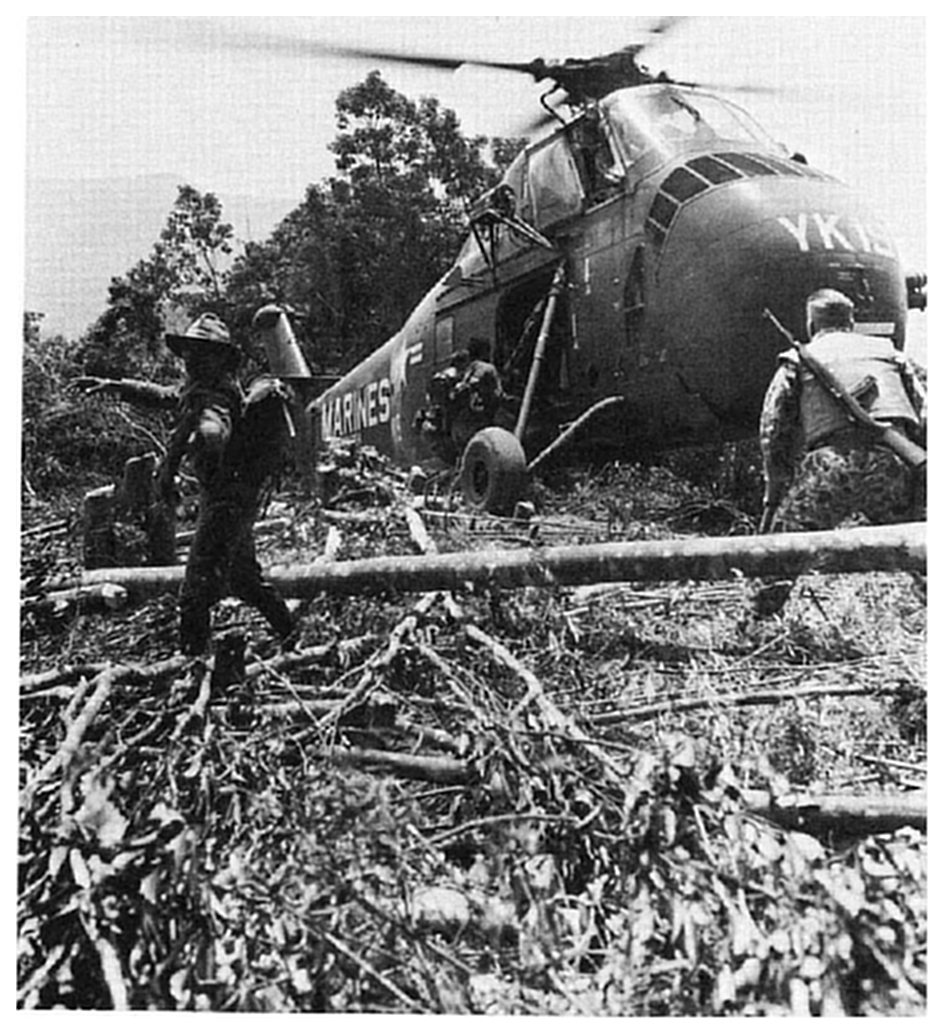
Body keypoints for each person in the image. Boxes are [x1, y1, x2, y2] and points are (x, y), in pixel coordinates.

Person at [77, 312, 295, 654]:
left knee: (194, 594)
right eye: (189, 351)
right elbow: (167, 395)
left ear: (219, 357)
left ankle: (192, 663)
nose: (191, 359)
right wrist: (117, 387)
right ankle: (292, 638)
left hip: (225, 504)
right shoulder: (204, 388)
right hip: (233, 501)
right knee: (244, 579)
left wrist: (203, 439)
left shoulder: (214, 397)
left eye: (201, 351)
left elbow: (214, 426)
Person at [754, 288, 926, 613]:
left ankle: (756, 624)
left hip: (827, 469)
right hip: (891, 467)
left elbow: (772, 429)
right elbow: (926, 411)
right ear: (852, 321)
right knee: (924, 549)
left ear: (811, 324)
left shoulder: (797, 359)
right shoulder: (891, 354)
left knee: (781, 554)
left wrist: (775, 489)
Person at [448, 339, 504, 455]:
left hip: (489, 411)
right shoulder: (472, 369)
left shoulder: (482, 367)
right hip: (482, 411)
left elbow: (473, 383)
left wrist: (458, 388)